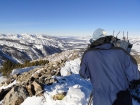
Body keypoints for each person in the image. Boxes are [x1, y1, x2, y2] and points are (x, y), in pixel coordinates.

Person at [79, 28, 140, 105]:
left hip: (100, 100)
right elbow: (135, 77)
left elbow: (83, 74)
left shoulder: (88, 54)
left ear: (94, 40)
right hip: (123, 99)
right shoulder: (122, 52)